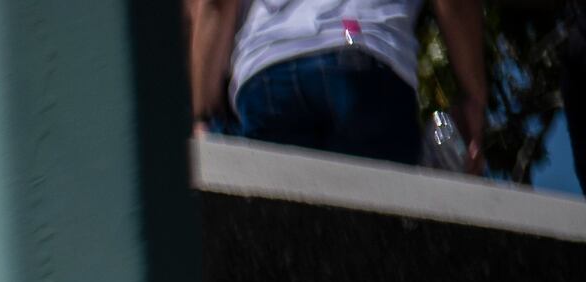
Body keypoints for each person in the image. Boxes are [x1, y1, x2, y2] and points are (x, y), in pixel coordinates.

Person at [189, 0, 485, 166]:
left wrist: (203, 115)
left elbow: (216, 5)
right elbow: (457, 6)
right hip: (367, 61)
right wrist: (474, 97)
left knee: (279, 228)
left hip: (268, 71)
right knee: (383, 229)